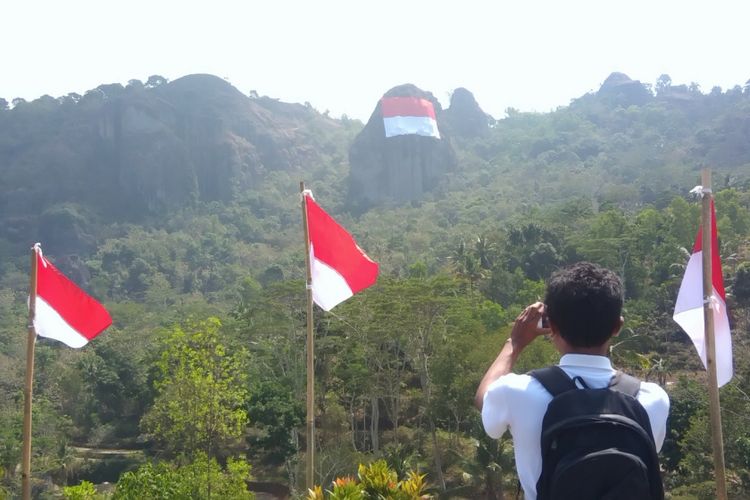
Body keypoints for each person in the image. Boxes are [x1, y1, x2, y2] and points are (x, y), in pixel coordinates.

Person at [474, 262, 670, 500]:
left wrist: (515, 342)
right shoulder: (652, 399)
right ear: (617, 326)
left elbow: (483, 398)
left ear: (552, 326)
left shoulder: (517, 392)